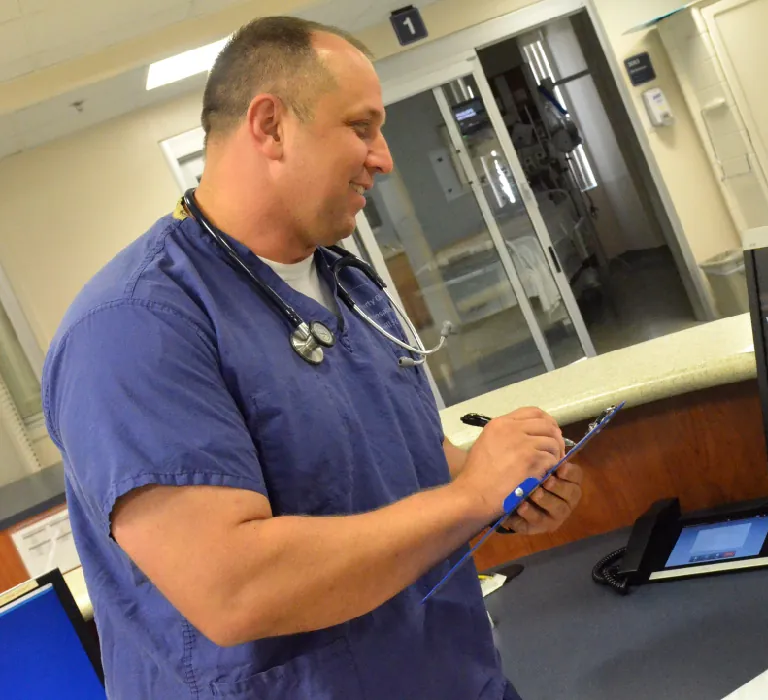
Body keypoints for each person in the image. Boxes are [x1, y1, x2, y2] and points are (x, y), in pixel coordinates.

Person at [42, 17, 583, 699]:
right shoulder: (131, 327)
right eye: (361, 127)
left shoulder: (346, 282)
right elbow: (234, 587)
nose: (383, 157)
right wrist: (469, 496)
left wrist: (503, 485)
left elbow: (397, 462)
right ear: (270, 126)